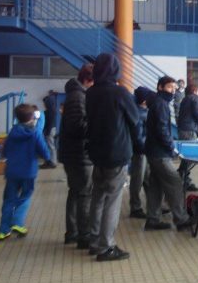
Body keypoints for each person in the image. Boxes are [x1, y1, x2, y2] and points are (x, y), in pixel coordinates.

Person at [86, 53, 140, 261]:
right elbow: (134, 120)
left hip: (96, 153)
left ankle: (93, 240)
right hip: (117, 152)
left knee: (98, 197)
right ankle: (106, 246)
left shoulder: (91, 92)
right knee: (113, 200)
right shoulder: (120, 92)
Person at [144, 76, 194, 231]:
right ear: (160, 87)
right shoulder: (161, 104)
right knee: (175, 183)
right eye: (169, 87)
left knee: (156, 186)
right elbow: (162, 130)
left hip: (153, 151)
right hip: (160, 153)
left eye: (174, 88)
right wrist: (171, 148)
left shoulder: (158, 103)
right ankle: (181, 219)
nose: (172, 91)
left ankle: (152, 219)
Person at [0, 104, 50, 241]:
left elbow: (5, 151)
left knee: (8, 200)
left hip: (12, 171)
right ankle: (18, 222)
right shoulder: (35, 133)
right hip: (28, 171)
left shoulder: (12, 132)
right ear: (32, 117)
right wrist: (47, 157)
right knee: (25, 196)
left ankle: (3, 231)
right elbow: (45, 152)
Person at [58, 63, 95, 247]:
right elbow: (77, 126)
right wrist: (96, 122)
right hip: (79, 154)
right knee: (84, 194)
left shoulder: (75, 94)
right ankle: (84, 235)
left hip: (72, 153)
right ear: (88, 80)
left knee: (75, 192)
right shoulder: (78, 97)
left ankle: (72, 233)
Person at [177, 83, 198, 191]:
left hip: (183, 130)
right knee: (189, 158)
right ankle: (181, 179)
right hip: (189, 132)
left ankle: (184, 180)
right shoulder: (195, 99)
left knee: (187, 157)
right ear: (195, 91)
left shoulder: (185, 99)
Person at [129, 86, 153, 219]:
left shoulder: (143, 111)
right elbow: (138, 136)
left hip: (145, 150)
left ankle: (153, 205)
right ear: (144, 100)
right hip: (140, 151)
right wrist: (143, 148)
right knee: (137, 180)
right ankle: (135, 208)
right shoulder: (139, 114)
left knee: (148, 178)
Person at [41, 90, 58, 169]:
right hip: (51, 129)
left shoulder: (50, 111)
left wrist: (47, 131)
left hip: (50, 129)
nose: (44, 104)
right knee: (50, 146)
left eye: (45, 103)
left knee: (50, 146)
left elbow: (50, 122)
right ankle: (49, 161)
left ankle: (52, 162)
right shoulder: (51, 110)